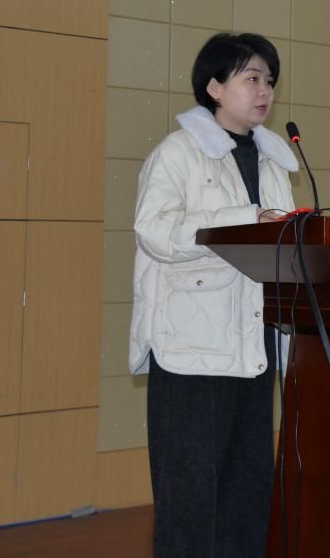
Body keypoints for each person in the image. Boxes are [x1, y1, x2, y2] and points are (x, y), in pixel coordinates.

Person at [128, 32, 299, 557]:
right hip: (192, 351)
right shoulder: (177, 153)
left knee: (247, 497)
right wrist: (243, 219)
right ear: (215, 87)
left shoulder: (273, 161)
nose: (265, 90)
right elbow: (154, 232)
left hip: (253, 346)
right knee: (190, 501)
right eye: (251, 78)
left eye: (269, 80)